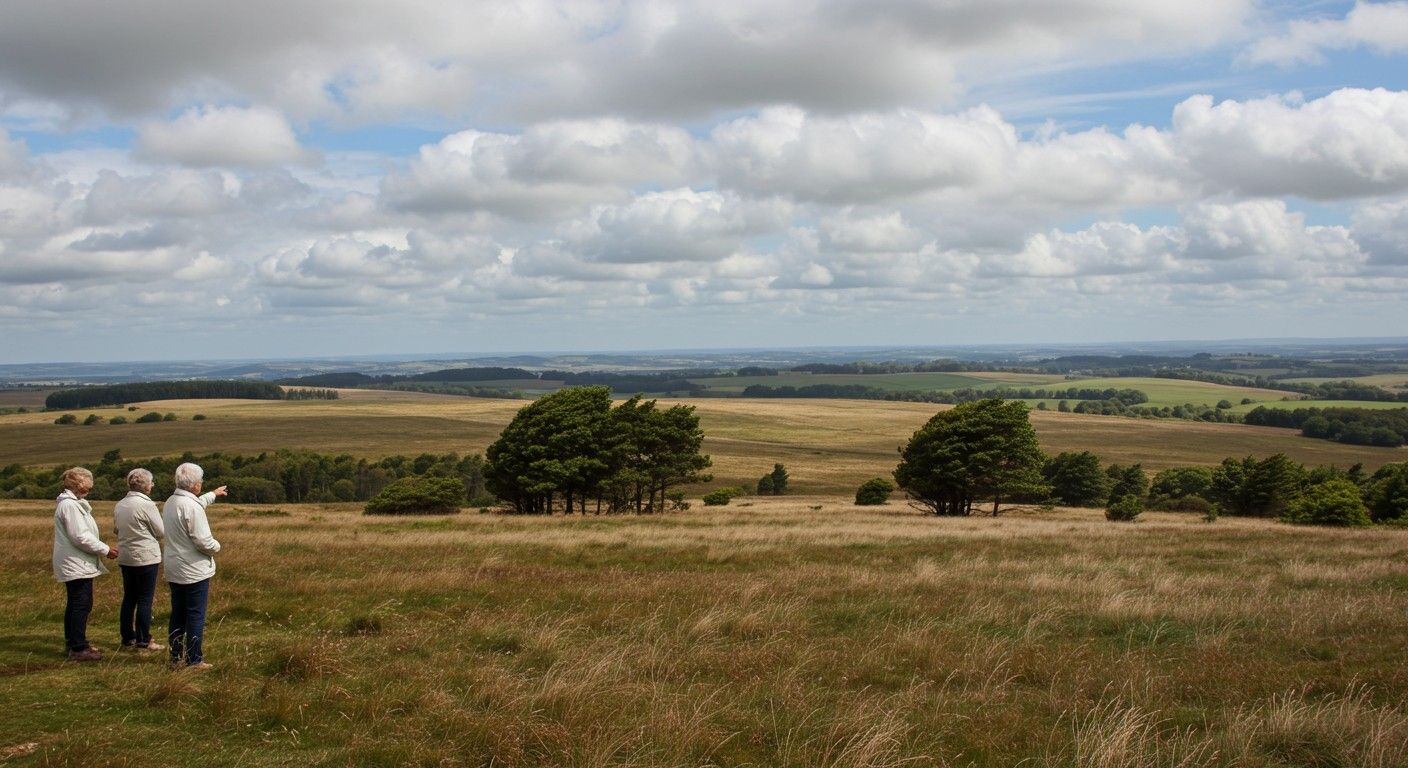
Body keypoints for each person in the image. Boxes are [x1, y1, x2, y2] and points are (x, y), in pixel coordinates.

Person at [162, 462, 227, 670]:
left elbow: (196, 504)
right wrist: (217, 546)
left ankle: (175, 657)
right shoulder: (191, 506)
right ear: (195, 485)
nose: (201, 484)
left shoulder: (172, 501)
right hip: (194, 570)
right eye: (200, 481)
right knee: (196, 614)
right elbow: (204, 542)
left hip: (175, 568)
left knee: (178, 614)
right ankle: (194, 659)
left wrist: (213, 494)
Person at [52, 467, 118, 661]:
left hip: (76, 561)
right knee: (81, 603)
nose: (88, 491)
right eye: (87, 487)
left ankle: (74, 642)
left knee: (77, 603)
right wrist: (105, 549)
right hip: (75, 562)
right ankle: (78, 647)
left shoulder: (71, 503)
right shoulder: (70, 506)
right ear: (79, 485)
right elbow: (80, 536)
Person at [113, 468, 165, 651]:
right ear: (145, 486)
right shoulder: (147, 505)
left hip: (126, 557)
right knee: (145, 599)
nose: (152, 485)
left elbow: (116, 529)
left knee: (129, 598)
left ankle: (128, 637)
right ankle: (144, 640)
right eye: (151, 482)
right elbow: (161, 531)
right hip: (145, 557)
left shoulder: (120, 504)